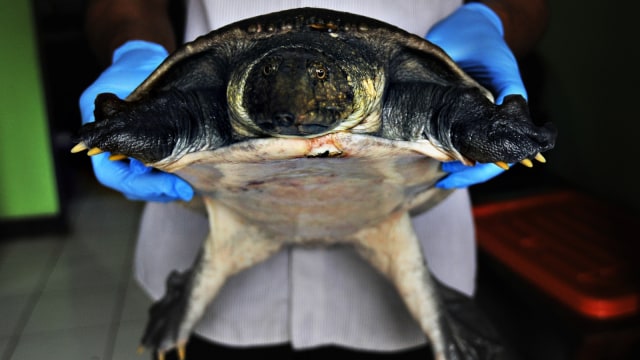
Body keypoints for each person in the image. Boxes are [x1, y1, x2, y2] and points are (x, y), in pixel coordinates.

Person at [80, 1, 548, 359]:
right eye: (283, 113)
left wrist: (489, 21)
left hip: (388, 218)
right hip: (233, 231)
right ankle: (181, 304)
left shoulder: (391, 84)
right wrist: (133, 56)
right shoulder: (225, 93)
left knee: (437, 328)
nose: (302, 121)